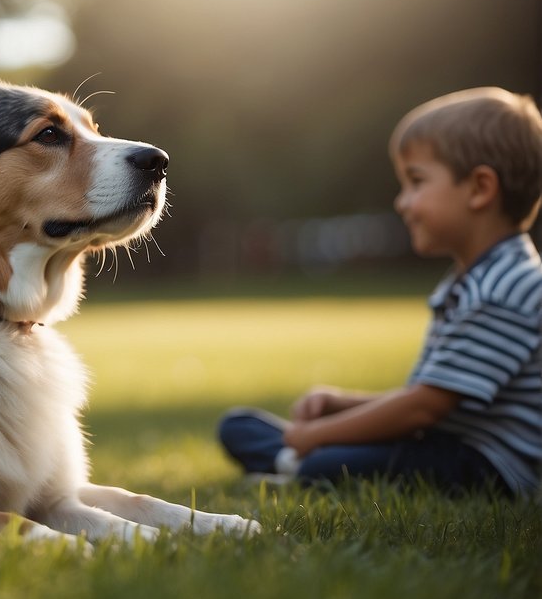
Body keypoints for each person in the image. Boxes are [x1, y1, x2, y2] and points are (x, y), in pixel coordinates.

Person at [218, 87, 542, 496]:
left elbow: (425, 407)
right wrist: (341, 403)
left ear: (479, 188)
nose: (402, 202)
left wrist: (320, 435)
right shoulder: (477, 277)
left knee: (328, 459)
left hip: (483, 466)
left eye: (415, 182)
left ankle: (300, 465)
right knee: (239, 426)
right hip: (440, 441)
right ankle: (296, 461)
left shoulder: (505, 287)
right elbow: (433, 396)